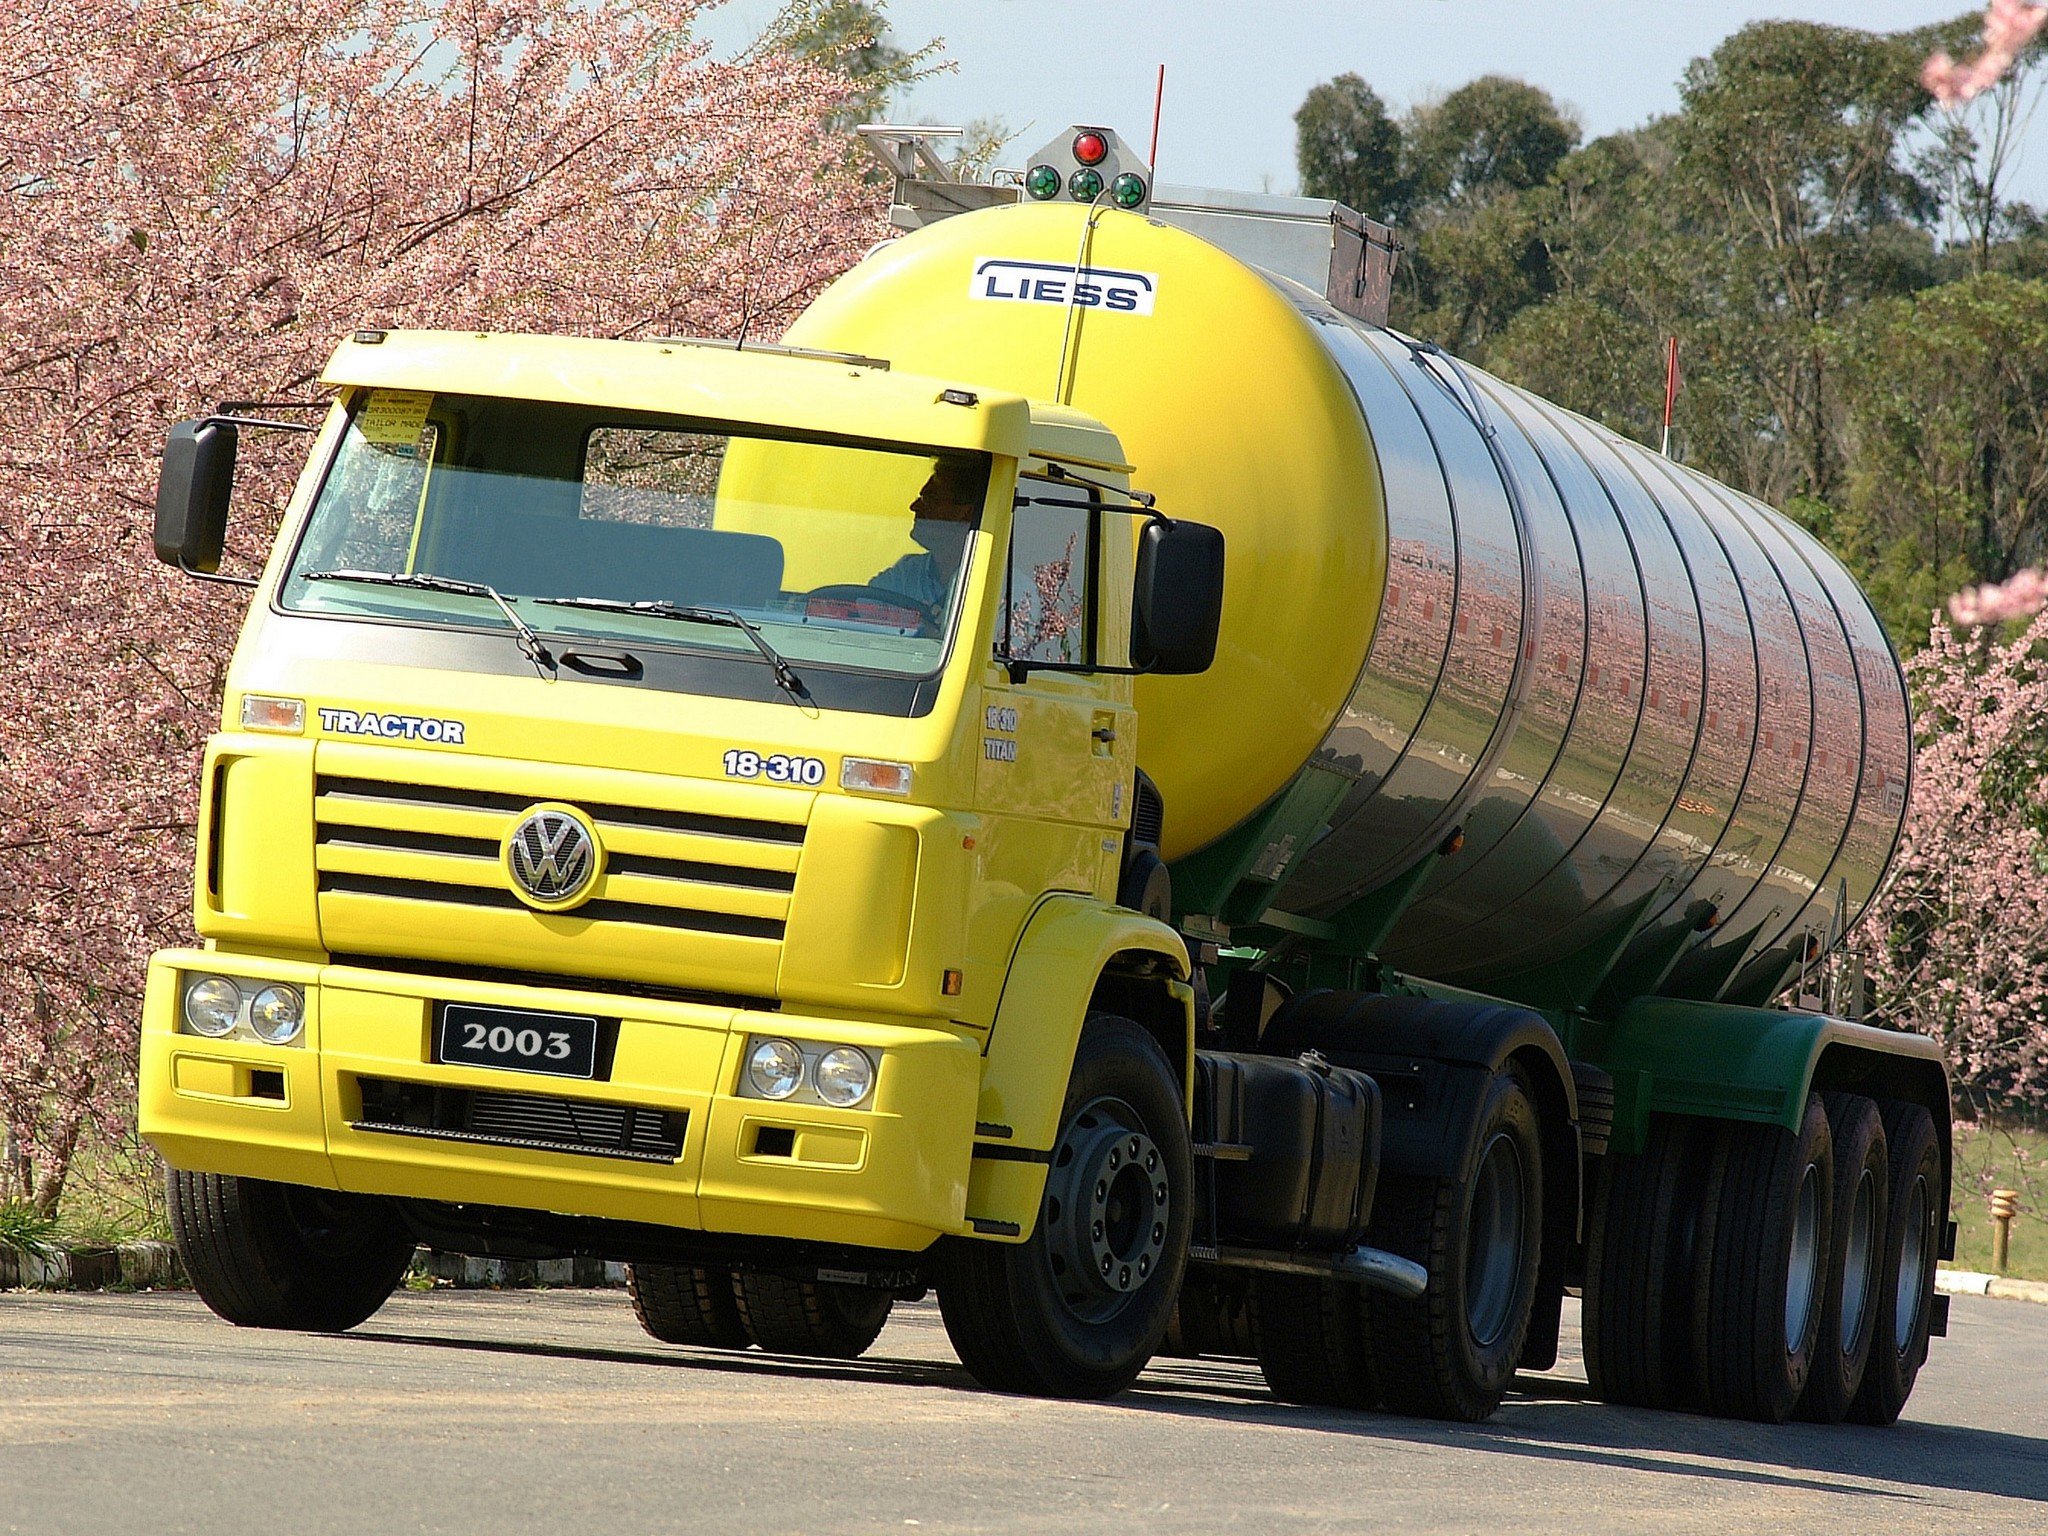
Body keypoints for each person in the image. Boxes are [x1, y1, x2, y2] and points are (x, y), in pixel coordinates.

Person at [868, 457, 982, 616]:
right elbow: (862, 607)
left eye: (930, 499)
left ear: (966, 513)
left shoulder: (1008, 591)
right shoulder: (907, 573)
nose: (914, 507)